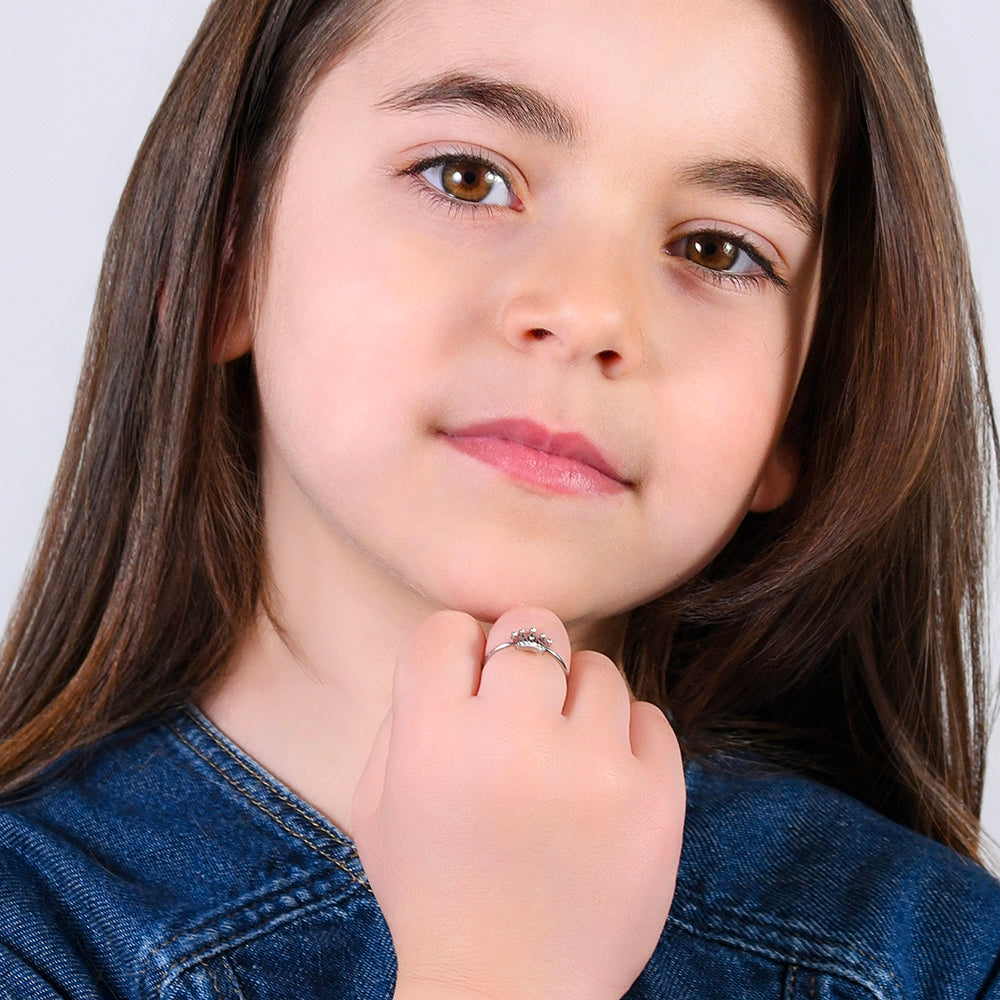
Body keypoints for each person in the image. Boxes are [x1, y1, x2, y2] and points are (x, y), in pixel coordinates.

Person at [1, 0, 998, 997]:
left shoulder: (937, 957)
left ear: (801, 405)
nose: (587, 311)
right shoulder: (33, 934)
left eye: (716, 250)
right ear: (226, 251)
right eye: (466, 177)